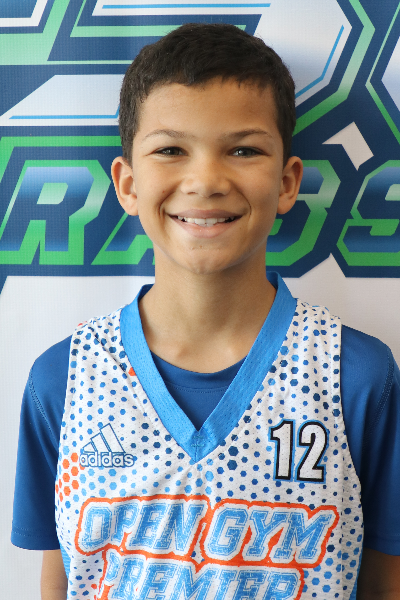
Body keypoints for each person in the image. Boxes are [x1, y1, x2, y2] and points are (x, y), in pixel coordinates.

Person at [11, 23, 400, 600]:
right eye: (171, 150)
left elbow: (385, 581)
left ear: (287, 182)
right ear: (128, 184)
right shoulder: (63, 380)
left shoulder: (357, 376)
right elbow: (62, 577)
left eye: (243, 150)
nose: (206, 181)